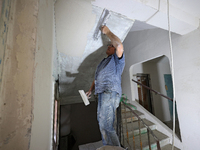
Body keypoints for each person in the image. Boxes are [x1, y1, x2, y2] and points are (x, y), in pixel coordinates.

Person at [86, 25, 125, 146]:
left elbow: (119, 46)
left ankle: (113, 148)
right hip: (102, 92)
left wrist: (107, 31)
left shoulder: (117, 60)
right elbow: (97, 78)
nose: (109, 46)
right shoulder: (103, 62)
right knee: (102, 122)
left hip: (109, 91)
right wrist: (90, 90)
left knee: (106, 124)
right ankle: (107, 147)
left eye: (110, 45)